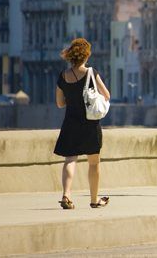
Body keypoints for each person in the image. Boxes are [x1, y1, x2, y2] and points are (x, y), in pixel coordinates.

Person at [54, 38, 111, 209]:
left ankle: (66, 195)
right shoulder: (92, 73)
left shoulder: (63, 76)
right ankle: (94, 200)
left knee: (70, 160)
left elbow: (59, 103)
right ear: (86, 56)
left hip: (70, 123)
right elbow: (106, 95)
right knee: (93, 163)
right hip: (90, 125)